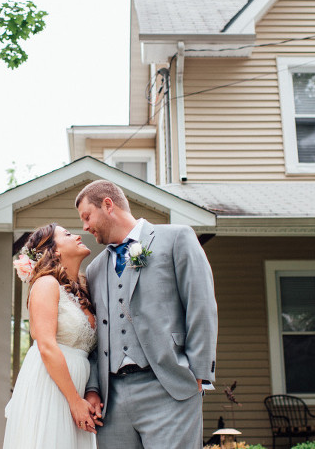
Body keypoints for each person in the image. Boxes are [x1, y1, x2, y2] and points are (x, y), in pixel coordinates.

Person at [75, 179, 218, 449]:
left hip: (169, 387)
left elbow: (201, 304)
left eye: (86, 216)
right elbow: (93, 337)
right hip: (113, 399)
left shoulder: (176, 238)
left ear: (108, 205)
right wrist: (93, 387)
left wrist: (199, 372)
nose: (84, 227)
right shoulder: (94, 270)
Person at [3, 223, 99, 449]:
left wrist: (89, 393)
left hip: (78, 388)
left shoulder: (83, 290)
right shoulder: (46, 284)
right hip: (50, 386)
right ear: (54, 250)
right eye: (67, 234)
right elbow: (45, 345)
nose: (77, 236)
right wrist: (74, 400)